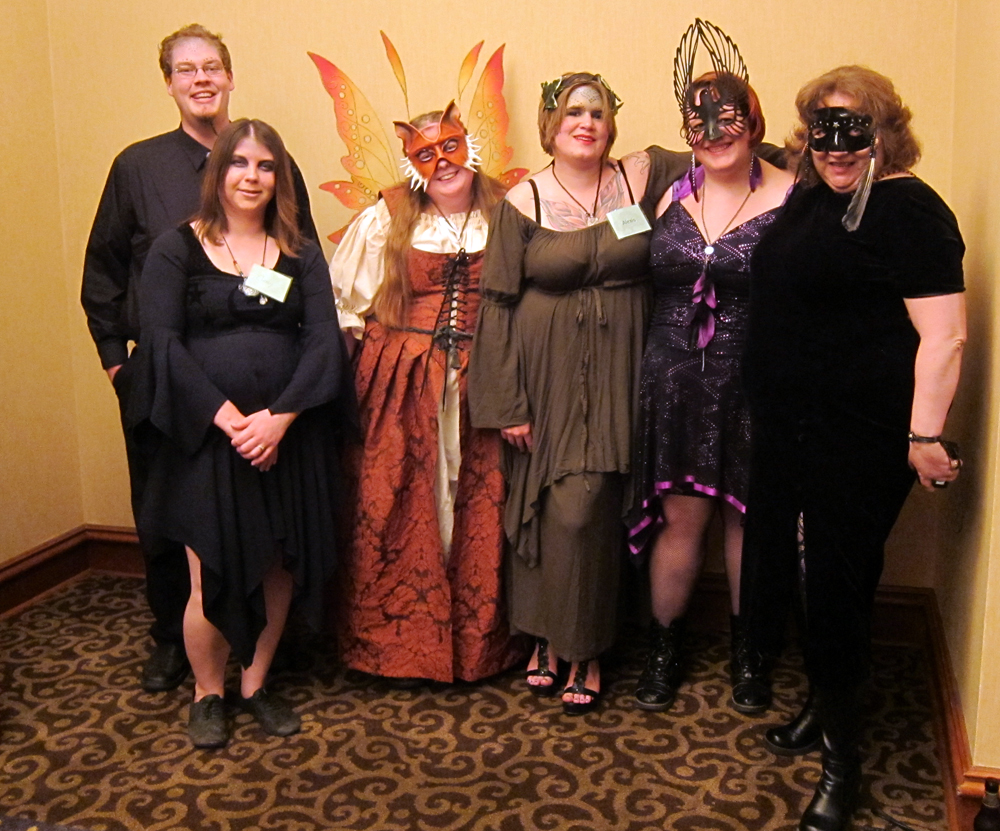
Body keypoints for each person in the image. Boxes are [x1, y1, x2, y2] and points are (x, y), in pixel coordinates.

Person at [740, 66, 965, 831]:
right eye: (822, 130)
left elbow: (945, 335)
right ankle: (821, 703)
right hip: (790, 427)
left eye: (853, 130)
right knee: (811, 575)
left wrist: (924, 435)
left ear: (885, 132)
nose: (836, 147)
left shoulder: (911, 209)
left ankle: (843, 763)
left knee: (833, 583)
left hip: (857, 434)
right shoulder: (813, 195)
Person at [80, 23, 317, 694]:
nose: (201, 78)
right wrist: (118, 363)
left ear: (230, 76)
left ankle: (258, 650)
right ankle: (171, 640)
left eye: (211, 66)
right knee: (168, 517)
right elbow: (103, 268)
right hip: (165, 378)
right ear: (169, 84)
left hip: (262, 394)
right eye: (186, 70)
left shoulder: (271, 158)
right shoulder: (137, 166)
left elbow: (300, 257)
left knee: (264, 519)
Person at [469, 73, 691, 715]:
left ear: (610, 123)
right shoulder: (522, 201)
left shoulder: (641, 175)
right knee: (548, 505)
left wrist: (797, 153)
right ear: (551, 125)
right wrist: (508, 404)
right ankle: (545, 635)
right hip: (546, 375)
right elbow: (496, 302)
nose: (586, 123)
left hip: (623, 368)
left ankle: (584, 645)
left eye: (596, 112)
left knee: (595, 504)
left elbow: (726, 150)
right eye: (572, 112)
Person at [127, 119, 345, 748]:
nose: (252, 177)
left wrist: (279, 420)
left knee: (276, 566)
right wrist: (228, 419)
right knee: (208, 571)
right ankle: (207, 693)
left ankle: (255, 685)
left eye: (266, 165)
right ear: (218, 171)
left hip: (285, 436)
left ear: (280, 177)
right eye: (239, 163)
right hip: (206, 439)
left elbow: (323, 340)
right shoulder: (176, 248)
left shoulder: (301, 252)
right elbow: (162, 345)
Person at [627, 20, 794, 714]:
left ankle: (749, 655)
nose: (714, 132)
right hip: (673, 382)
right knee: (681, 520)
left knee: (747, 524)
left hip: (755, 381)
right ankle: (664, 649)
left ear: (752, 120)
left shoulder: (794, 194)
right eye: (698, 122)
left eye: (728, 117)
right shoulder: (669, 192)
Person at [329, 103, 526, 685]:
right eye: (425, 154)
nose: (441, 162)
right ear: (411, 164)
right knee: (400, 500)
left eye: (450, 146)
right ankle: (397, 646)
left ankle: (478, 645)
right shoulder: (387, 216)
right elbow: (346, 306)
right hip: (403, 379)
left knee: (480, 501)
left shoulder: (509, 209)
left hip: (484, 377)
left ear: (471, 146)